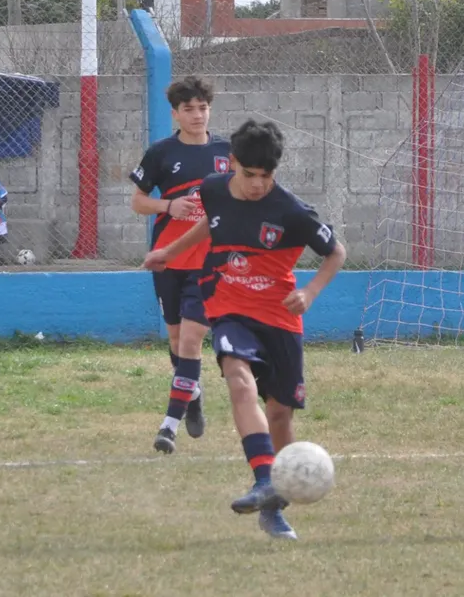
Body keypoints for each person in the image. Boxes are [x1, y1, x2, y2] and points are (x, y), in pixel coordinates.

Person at [143, 120, 347, 540]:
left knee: (280, 414)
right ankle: (263, 480)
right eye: (250, 174)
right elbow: (211, 224)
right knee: (238, 381)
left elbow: (336, 252)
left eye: (266, 176)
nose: (257, 184)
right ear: (232, 162)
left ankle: (274, 505)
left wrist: (309, 291)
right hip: (229, 307)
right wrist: (169, 250)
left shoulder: (291, 210)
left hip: (279, 318)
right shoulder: (214, 188)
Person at [130, 76, 231, 454]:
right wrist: (168, 206)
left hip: (209, 262)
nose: (197, 115)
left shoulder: (228, 152)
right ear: (175, 113)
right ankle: (194, 391)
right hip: (168, 258)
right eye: (188, 109)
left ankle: (167, 427)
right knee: (175, 341)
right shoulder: (161, 153)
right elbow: (138, 201)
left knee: (191, 339)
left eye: (202, 108)